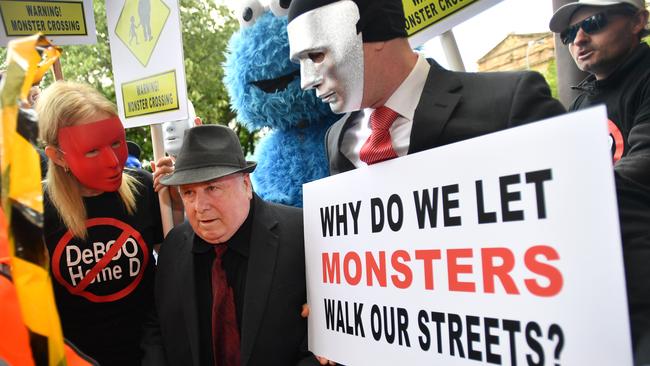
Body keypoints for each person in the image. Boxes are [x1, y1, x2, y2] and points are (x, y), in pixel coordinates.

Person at [287, 0, 566, 175]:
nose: (306, 80)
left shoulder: (509, 104)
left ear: (373, 31)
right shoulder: (337, 139)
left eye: (316, 55)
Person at [141, 125, 317, 366]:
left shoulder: (303, 234)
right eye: (189, 192)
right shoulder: (173, 247)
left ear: (246, 184)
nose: (199, 206)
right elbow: (157, 327)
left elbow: (326, 338)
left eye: (212, 188)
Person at [549, 0, 650, 362]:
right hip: (604, 276)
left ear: (639, 20)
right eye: (568, 33)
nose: (579, 38)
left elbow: (642, 164)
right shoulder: (582, 103)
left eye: (593, 22)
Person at [37, 81, 163, 366]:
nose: (112, 161)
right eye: (92, 151)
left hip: (148, 353)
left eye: (117, 143)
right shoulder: (36, 210)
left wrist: (179, 205)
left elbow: (175, 268)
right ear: (57, 156)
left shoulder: (145, 190)